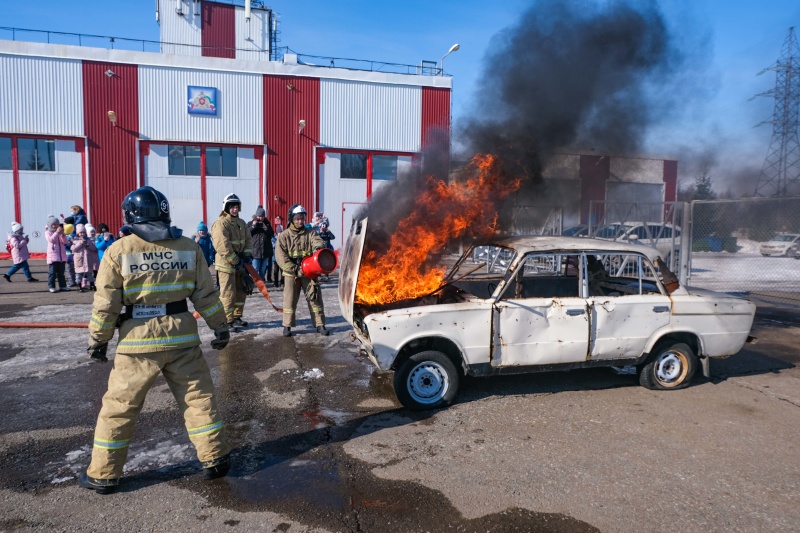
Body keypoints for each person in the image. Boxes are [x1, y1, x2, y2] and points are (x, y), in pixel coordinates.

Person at [79, 185, 231, 495]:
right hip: (182, 338)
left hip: (137, 343)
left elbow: (106, 303)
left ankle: (104, 475)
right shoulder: (189, 247)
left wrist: (98, 340)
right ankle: (215, 459)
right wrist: (220, 327)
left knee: (120, 407)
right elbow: (206, 295)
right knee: (198, 400)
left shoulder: (119, 250)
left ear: (130, 215)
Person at [275, 204, 329, 337]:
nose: (300, 221)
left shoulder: (310, 233)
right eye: (298, 218)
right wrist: (295, 270)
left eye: (302, 218)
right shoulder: (284, 236)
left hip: (309, 271)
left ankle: (320, 324)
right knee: (289, 300)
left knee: (315, 298)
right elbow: (280, 257)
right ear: (292, 219)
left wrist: (318, 249)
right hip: (291, 273)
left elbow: (318, 241)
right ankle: (287, 326)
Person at [211, 193, 253, 331]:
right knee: (228, 293)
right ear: (226, 208)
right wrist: (235, 260)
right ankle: (227, 321)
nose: (235, 210)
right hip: (226, 264)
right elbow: (222, 246)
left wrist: (247, 256)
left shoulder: (241, 223)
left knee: (241, 291)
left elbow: (248, 240)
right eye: (232, 207)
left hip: (240, 263)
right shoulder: (221, 223)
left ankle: (237, 317)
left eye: (236, 207)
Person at [247, 205, 275, 282]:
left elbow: (271, 234)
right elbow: (246, 233)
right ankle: (252, 282)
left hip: (265, 252)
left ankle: (261, 282)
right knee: (255, 268)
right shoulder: (250, 223)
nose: (260, 218)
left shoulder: (267, 224)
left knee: (263, 269)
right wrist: (253, 226)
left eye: (262, 216)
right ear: (256, 216)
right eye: (259, 216)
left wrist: (265, 227)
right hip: (255, 251)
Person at [45, 215, 70, 293]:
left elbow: (65, 242)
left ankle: (63, 286)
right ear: (50, 225)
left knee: (61, 273)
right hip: (53, 256)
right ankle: (51, 286)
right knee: (52, 273)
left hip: (61, 256)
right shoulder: (47, 232)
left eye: (57, 224)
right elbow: (51, 240)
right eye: (54, 224)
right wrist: (56, 232)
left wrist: (63, 234)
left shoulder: (60, 233)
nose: (56, 226)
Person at [72, 223, 99, 292]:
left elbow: (93, 249)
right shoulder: (75, 240)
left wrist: (88, 244)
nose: (82, 234)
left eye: (84, 232)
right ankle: (79, 286)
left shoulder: (89, 240)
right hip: (79, 260)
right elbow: (74, 249)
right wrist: (80, 243)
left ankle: (92, 284)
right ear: (78, 233)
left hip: (88, 260)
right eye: (81, 232)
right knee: (79, 274)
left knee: (89, 273)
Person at [271, 215, 285, 288]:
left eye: (281, 232)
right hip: (275, 256)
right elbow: (273, 246)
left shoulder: (284, 239)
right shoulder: (274, 238)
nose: (280, 233)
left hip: (282, 257)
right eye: (279, 232)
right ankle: (275, 282)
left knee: (282, 270)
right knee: (276, 270)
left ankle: (282, 282)